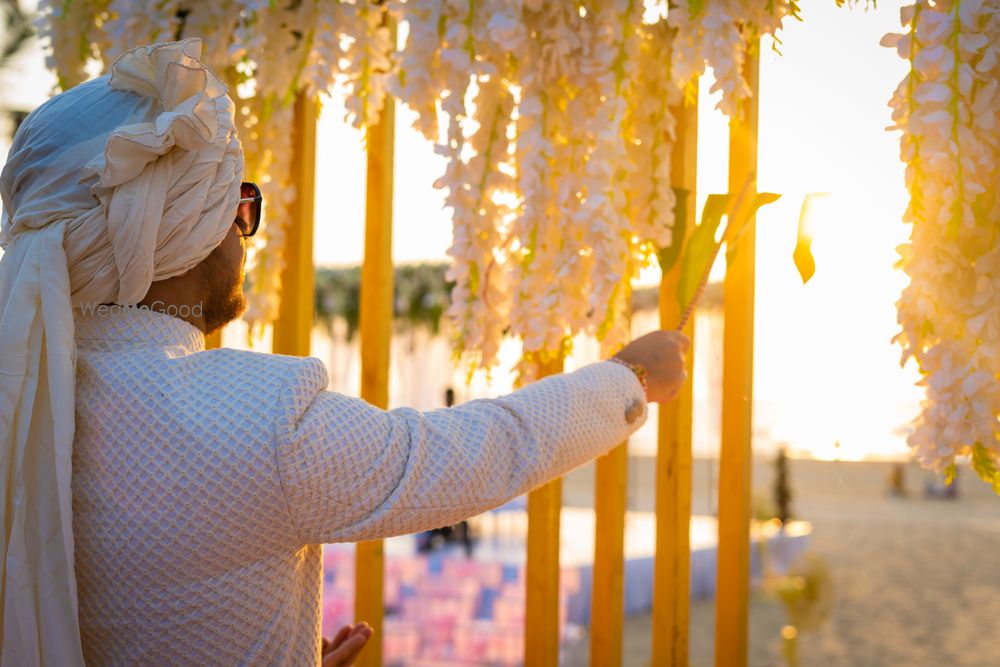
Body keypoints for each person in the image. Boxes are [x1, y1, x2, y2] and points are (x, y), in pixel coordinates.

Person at [0, 40, 688, 666]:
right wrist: (626, 375)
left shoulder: (17, 399)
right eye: (241, 206)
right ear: (173, 232)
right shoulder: (260, 418)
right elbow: (481, 451)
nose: (247, 235)